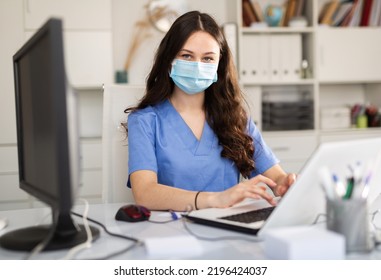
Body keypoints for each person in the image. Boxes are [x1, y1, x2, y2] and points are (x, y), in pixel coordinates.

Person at [125, 11, 296, 212]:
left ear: (218, 65)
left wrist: (285, 182)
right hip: (169, 231)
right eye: (187, 56)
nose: (197, 66)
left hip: (227, 230)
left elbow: (275, 178)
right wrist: (216, 199)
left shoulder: (236, 118)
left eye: (207, 59)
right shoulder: (144, 121)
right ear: (169, 59)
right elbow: (145, 194)